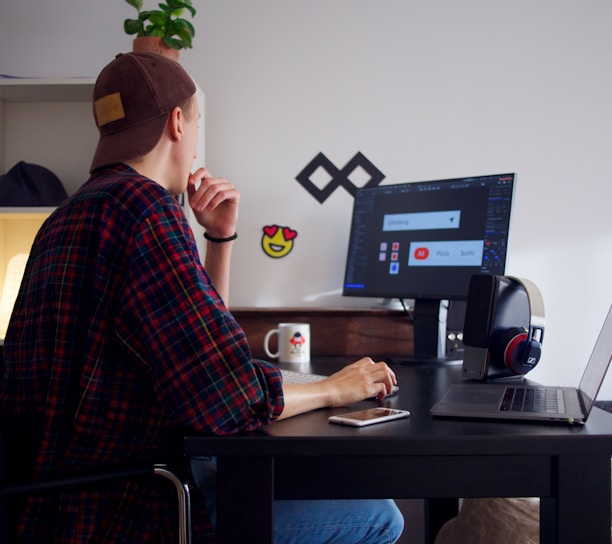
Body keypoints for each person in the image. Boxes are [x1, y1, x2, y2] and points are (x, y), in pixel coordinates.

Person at [0, 52, 404, 543]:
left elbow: (197, 348)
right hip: (127, 510)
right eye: (196, 125)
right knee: (381, 516)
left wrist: (219, 239)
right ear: (177, 123)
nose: (193, 148)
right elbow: (224, 399)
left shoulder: (65, 217)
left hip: (52, 506)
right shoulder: (145, 212)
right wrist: (334, 389)